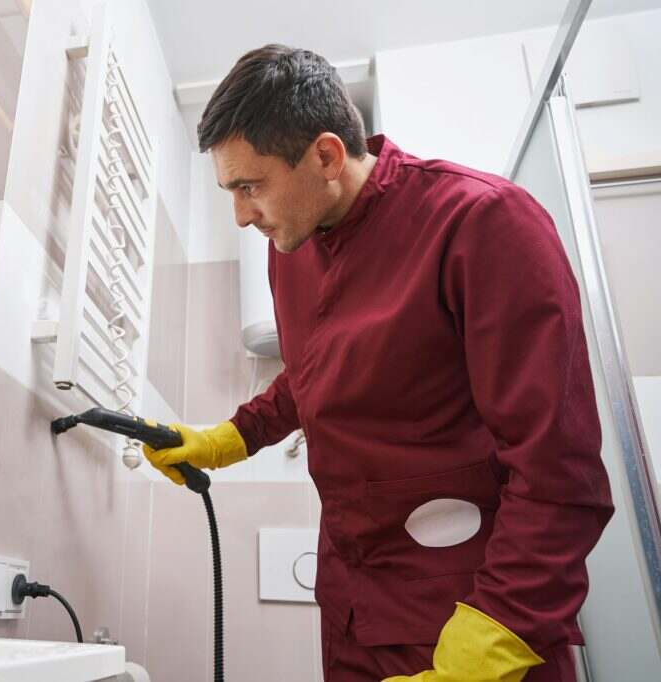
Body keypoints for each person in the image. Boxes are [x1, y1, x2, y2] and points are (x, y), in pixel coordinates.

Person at [143, 44, 613, 682]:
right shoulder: (292, 249)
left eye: (250, 186)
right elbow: (313, 373)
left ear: (327, 155)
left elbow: (558, 469)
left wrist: (491, 642)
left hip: (469, 615)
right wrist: (229, 438)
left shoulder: (481, 224)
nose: (242, 214)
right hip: (351, 612)